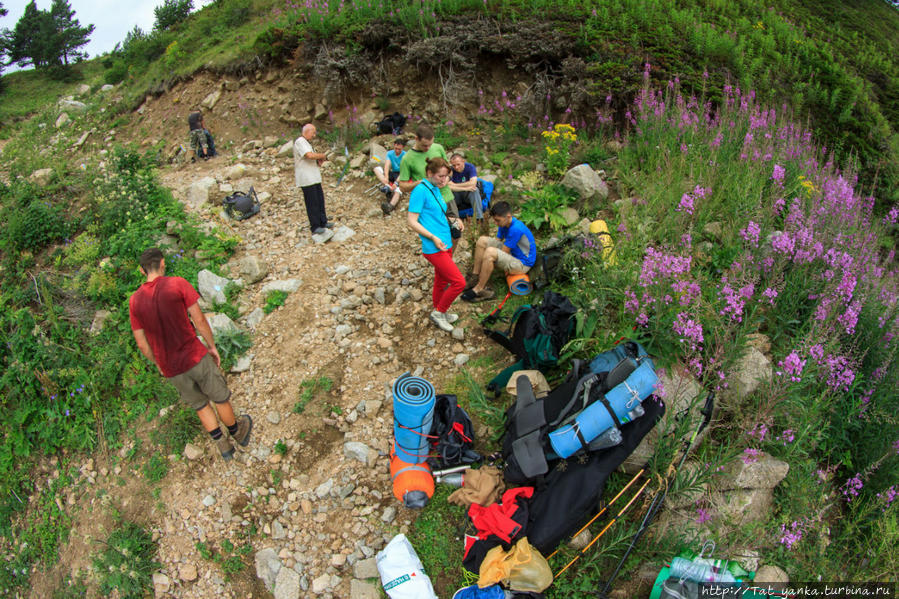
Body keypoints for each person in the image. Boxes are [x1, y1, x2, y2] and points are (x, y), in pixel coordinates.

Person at [129, 248, 252, 460]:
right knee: (219, 396)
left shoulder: (135, 301)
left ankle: (224, 447)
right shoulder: (177, 284)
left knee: (200, 404)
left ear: (142, 271)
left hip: (171, 367)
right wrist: (211, 346)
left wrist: (158, 362)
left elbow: (142, 344)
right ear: (163, 264)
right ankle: (237, 432)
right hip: (194, 355)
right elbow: (199, 320)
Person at [407, 157, 466, 332]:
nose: (443, 180)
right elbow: (412, 221)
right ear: (429, 173)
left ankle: (440, 310)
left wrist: (455, 219)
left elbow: (438, 214)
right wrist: (432, 237)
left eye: (446, 176)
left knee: (441, 281)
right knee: (459, 282)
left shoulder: (435, 188)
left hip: (445, 242)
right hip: (434, 247)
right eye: (440, 176)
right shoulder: (420, 191)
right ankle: (439, 313)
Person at [462, 201, 537, 303]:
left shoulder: (516, 228)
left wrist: (487, 258)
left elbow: (502, 252)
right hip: (513, 254)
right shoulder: (504, 224)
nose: (496, 223)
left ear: (508, 216)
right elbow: (497, 241)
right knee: (482, 241)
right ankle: (475, 277)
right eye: (495, 221)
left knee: (490, 252)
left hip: (522, 264)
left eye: (498, 221)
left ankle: (479, 288)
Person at [394, 124, 459, 221]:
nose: (428, 148)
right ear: (416, 139)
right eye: (424, 145)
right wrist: (421, 182)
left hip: (447, 197)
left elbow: (449, 171)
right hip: (428, 203)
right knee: (433, 234)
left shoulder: (438, 148)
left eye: (430, 144)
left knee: (456, 231)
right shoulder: (407, 159)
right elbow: (402, 186)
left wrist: (447, 179)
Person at [293, 124, 334, 235]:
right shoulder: (300, 141)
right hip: (306, 178)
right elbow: (309, 155)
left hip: (314, 177)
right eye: (313, 132)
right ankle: (315, 226)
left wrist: (318, 160)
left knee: (320, 199)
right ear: (307, 131)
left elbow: (311, 158)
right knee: (312, 202)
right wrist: (322, 155)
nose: (314, 135)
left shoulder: (307, 143)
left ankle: (323, 222)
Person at [448, 153, 483, 221]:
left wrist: (455, 185)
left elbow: (473, 182)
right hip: (456, 194)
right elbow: (448, 185)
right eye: (454, 165)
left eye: (458, 164)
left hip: (467, 194)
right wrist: (465, 186)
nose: (456, 167)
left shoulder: (470, 167)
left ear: (463, 161)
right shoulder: (450, 170)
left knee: (474, 190)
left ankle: (479, 218)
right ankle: (452, 219)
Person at [376, 138, 406, 215]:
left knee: (398, 190)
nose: (397, 151)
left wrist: (396, 182)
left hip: (401, 174)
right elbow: (387, 164)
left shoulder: (405, 155)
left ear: (403, 148)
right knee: (376, 169)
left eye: (399, 149)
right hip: (393, 172)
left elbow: (404, 171)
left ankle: (391, 205)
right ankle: (387, 186)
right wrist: (386, 177)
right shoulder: (390, 153)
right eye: (396, 148)